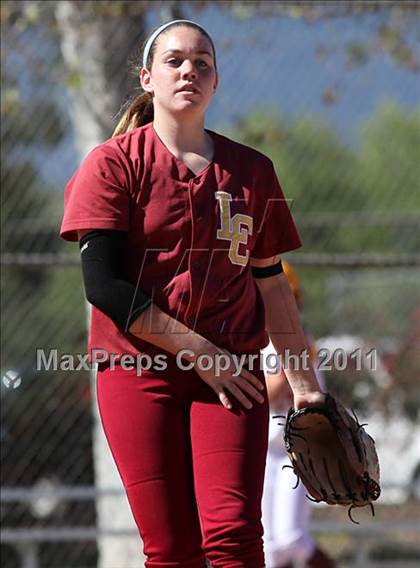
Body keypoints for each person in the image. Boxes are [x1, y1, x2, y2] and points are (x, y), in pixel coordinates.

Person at [60, 19, 324, 568]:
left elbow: (272, 287)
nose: (189, 70)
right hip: (140, 372)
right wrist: (204, 355)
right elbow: (104, 286)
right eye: (175, 60)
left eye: (202, 62)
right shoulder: (113, 165)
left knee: (234, 538)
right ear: (147, 78)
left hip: (232, 374)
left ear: (216, 81)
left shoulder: (251, 171)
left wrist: (305, 390)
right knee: (172, 548)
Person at [261, 263, 336, 568]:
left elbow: (300, 392)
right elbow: (265, 393)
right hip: (264, 452)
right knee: (268, 546)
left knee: (291, 537)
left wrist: (281, 377)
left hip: (297, 453)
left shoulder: (300, 339)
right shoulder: (254, 340)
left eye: (289, 298)